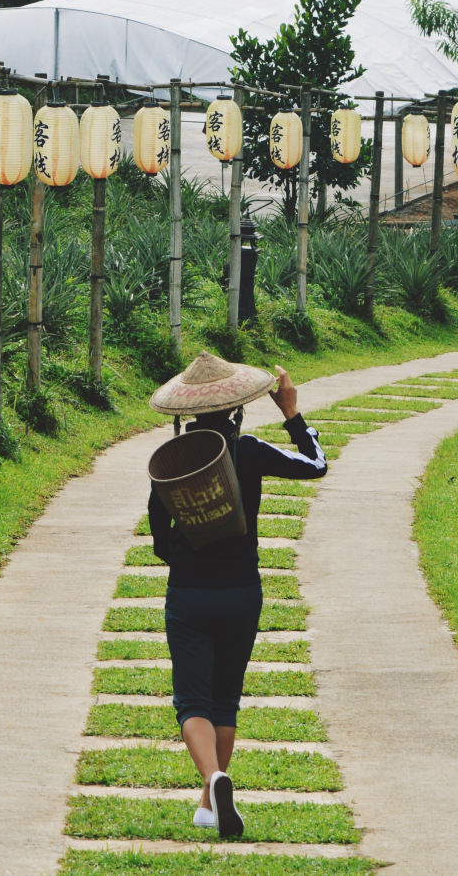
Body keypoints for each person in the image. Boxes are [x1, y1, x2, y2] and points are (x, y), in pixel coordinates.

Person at [145, 351, 327, 838]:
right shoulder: (247, 451)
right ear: (236, 407)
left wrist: (184, 561)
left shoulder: (170, 463)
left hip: (188, 593)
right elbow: (315, 464)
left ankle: (212, 784)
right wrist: (291, 411)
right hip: (243, 592)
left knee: (192, 702)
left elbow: (160, 536)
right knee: (225, 699)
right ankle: (212, 796)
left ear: (188, 413)